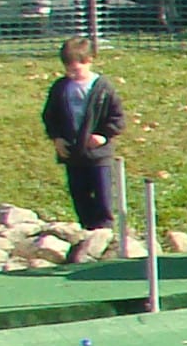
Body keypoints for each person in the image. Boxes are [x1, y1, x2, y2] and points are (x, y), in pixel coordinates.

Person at [41, 38, 125, 231]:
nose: (71, 74)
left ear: (89, 61)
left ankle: (105, 230)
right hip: (72, 154)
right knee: (80, 195)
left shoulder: (104, 88)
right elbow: (50, 116)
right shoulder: (60, 88)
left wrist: (103, 136)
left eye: (76, 69)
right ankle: (86, 229)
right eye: (68, 69)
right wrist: (57, 139)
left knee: (103, 196)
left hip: (98, 155)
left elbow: (117, 118)